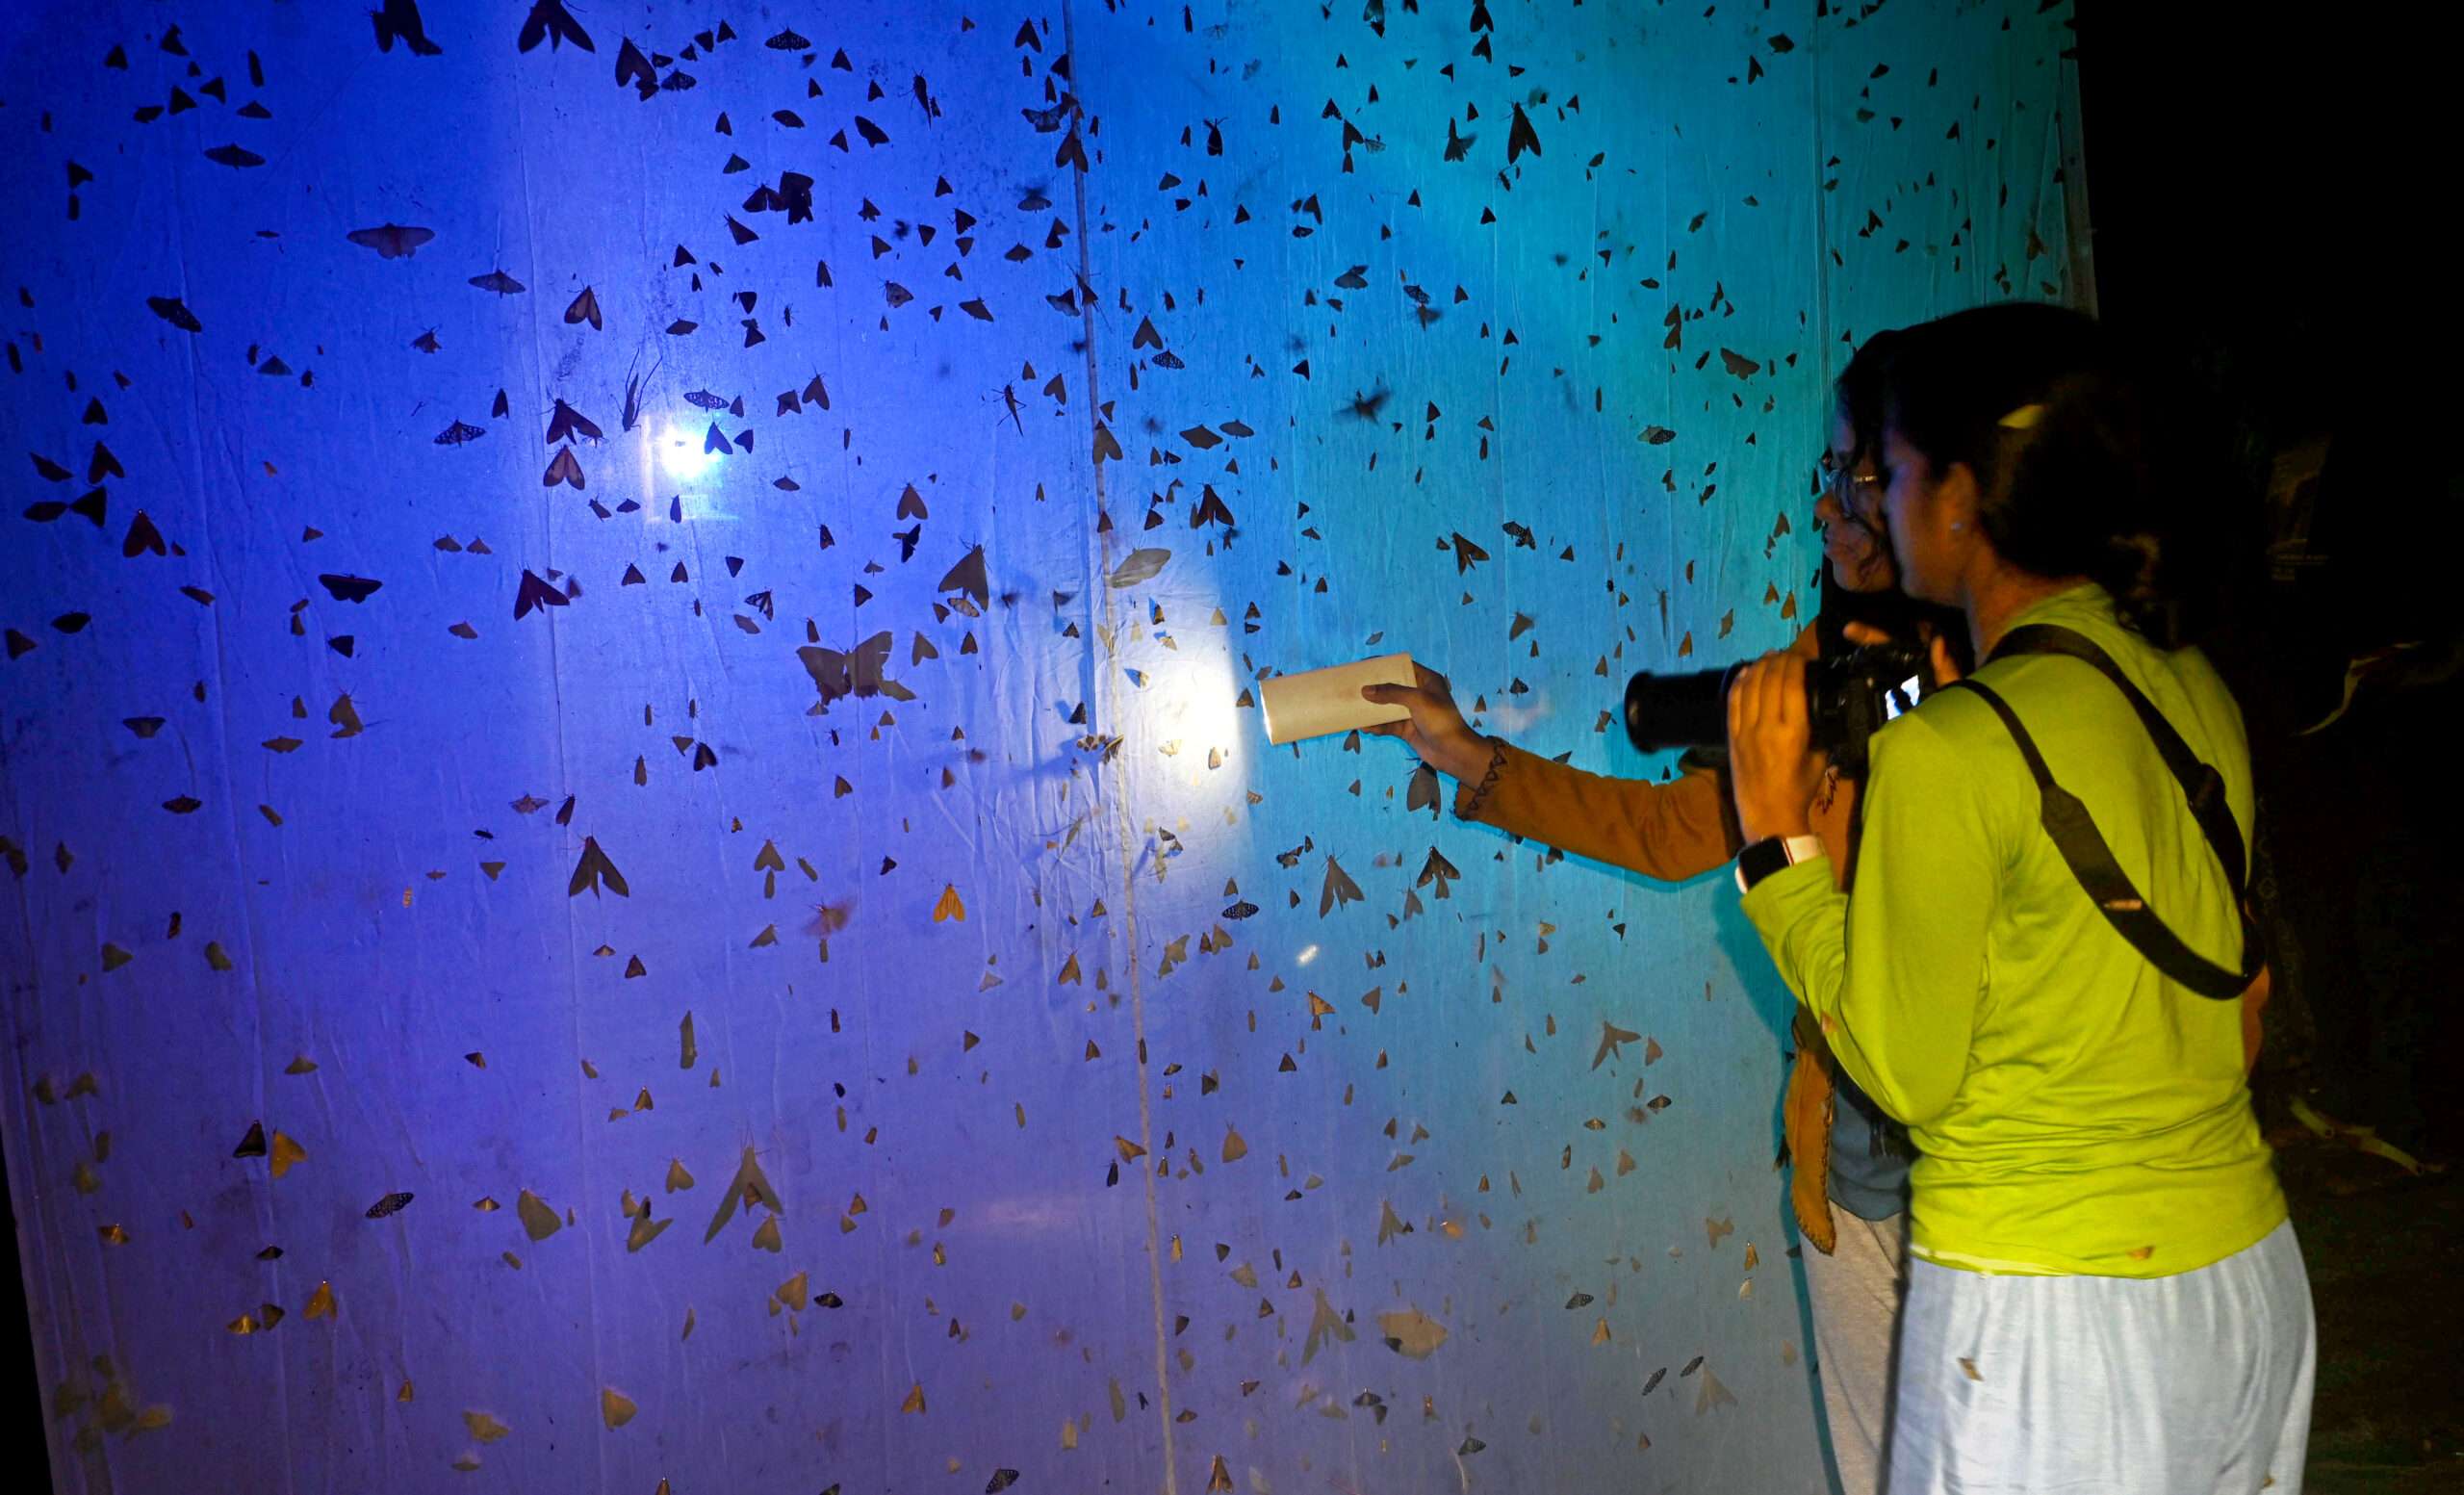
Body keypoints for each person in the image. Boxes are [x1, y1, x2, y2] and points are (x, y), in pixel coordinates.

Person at [1723, 301, 2311, 1493]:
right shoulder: (2190, 684)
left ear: (1958, 498)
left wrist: (1777, 849)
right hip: (2244, 1276)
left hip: (2047, 1321)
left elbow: (1902, 1070)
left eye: (1887, 472)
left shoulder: (1952, 747)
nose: (1872, 500)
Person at [1362, 330, 1962, 1495]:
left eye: (1862, 475)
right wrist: (1471, 755)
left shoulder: (2008, 688)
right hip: (1855, 1168)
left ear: (1951, 489)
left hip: (1992, 1171)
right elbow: (1662, 827)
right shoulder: (1809, 672)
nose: (1830, 507)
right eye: (1829, 473)